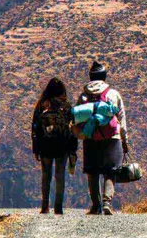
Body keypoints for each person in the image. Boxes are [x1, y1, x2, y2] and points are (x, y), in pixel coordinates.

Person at [75, 61, 129, 215]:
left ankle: (95, 206)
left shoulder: (84, 96)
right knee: (110, 172)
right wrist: (125, 142)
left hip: (90, 137)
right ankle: (107, 203)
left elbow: (77, 119)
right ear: (104, 76)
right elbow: (122, 121)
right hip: (112, 137)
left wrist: (80, 135)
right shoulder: (113, 94)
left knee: (92, 172)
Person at [31, 78, 78, 215]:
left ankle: (45, 206)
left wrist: (36, 148)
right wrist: (73, 149)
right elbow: (72, 129)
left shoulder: (42, 105)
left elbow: (35, 128)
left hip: (45, 145)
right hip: (62, 146)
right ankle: (58, 207)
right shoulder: (66, 105)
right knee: (60, 175)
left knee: (46, 175)